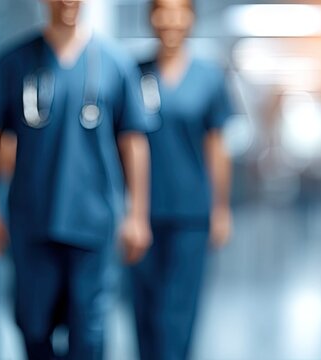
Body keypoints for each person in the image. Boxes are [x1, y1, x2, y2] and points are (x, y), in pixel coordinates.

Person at [0, 0, 153, 358]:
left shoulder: (115, 65)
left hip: (93, 221)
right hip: (32, 221)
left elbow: (134, 144)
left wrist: (137, 215)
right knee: (33, 324)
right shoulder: (13, 63)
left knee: (89, 330)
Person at [129, 0, 234, 359]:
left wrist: (220, 207)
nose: (170, 21)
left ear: (191, 19)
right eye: (162, 11)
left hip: (191, 215)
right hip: (143, 214)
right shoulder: (134, 74)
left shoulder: (209, 77)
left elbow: (217, 147)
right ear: (150, 18)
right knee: (144, 311)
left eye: (179, 12)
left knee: (177, 313)